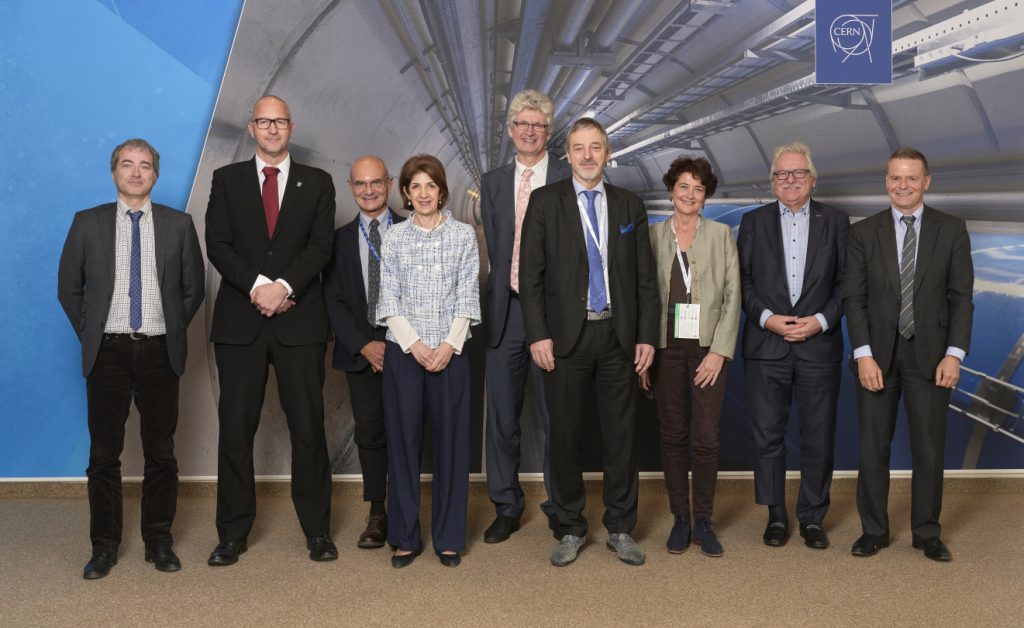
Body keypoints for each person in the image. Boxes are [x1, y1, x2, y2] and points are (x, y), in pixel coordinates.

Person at [57, 138, 205, 579]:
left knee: (161, 452)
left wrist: (171, 327)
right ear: (114, 172)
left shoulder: (179, 225)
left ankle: (159, 541)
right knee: (104, 454)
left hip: (160, 349)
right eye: (127, 164)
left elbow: (193, 289)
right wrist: (94, 334)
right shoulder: (88, 223)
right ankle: (103, 546)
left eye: (144, 166)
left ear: (155, 175)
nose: (136, 172)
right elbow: (70, 288)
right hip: (108, 351)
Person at [519, 117, 659, 567]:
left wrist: (645, 337)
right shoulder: (545, 202)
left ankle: (620, 527)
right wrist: (538, 333)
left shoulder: (628, 205)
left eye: (595, 147)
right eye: (578, 148)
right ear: (568, 154)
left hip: (618, 337)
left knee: (622, 437)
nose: (587, 156)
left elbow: (644, 280)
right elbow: (531, 276)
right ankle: (570, 526)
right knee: (565, 437)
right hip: (565, 338)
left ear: (608, 151)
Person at [205, 95, 337, 565]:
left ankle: (317, 531)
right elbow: (217, 244)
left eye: (280, 121)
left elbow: (321, 246)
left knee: (308, 431)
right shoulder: (226, 180)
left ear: (291, 126)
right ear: (251, 127)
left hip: (299, 322)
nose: (273, 128)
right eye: (264, 121)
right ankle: (232, 534)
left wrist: (283, 286)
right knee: (235, 431)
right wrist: (259, 287)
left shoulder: (318, 182)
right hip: (241, 323)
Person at [845, 147, 974, 562]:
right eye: (895, 178)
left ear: (926, 181)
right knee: (872, 449)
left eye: (911, 179)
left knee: (929, 449)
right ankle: (874, 531)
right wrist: (863, 354)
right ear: (886, 181)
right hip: (876, 357)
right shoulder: (864, 232)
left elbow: (961, 299)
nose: (903, 186)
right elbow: (854, 299)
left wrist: (954, 354)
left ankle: (926, 533)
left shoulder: (951, 229)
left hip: (932, 357)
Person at [736, 142, 849, 550]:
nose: (789, 180)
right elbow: (743, 283)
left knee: (818, 435)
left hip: (819, 348)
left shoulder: (836, 221)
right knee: (768, 435)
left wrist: (819, 322)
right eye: (782, 174)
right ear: (772, 182)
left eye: (797, 173)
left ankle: (812, 517)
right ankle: (776, 515)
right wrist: (768, 318)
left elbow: (846, 284)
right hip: (767, 346)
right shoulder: (753, 222)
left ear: (812, 179)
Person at [376, 154, 480, 568]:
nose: (422, 194)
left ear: (442, 191)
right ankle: (404, 536)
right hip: (405, 354)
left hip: (450, 354)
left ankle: (449, 537)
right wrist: (415, 345)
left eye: (430, 186)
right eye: (414, 186)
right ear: (405, 193)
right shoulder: (395, 238)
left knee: (452, 447)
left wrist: (448, 345)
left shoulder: (463, 236)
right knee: (402, 445)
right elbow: (389, 297)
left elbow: (467, 294)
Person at [480, 89, 571, 543]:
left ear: (549, 133)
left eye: (538, 125)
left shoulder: (568, 177)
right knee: (502, 418)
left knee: (558, 416)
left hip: (554, 314)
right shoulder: (493, 182)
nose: (530, 132)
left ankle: (560, 505)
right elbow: (496, 250)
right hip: (505, 312)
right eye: (523, 124)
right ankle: (506, 505)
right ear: (511, 131)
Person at [641, 156, 740, 557]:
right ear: (671, 191)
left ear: (706, 196)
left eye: (698, 189)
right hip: (664, 348)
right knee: (672, 434)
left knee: (705, 437)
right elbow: (641, 296)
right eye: (683, 186)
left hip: (706, 348)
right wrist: (644, 350)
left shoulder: (720, 235)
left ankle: (704, 519)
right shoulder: (651, 236)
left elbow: (734, 296)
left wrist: (719, 352)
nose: (690, 194)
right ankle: (680, 517)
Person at [324, 155, 404, 549]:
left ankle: (407, 512)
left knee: (407, 432)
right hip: (361, 350)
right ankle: (377, 513)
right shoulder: (337, 240)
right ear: (350, 187)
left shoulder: (414, 230)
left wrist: (395, 341)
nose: (368, 191)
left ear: (389, 183)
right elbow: (333, 299)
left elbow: (425, 294)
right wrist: (365, 344)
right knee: (370, 433)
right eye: (360, 184)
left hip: (407, 348)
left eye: (376, 183)